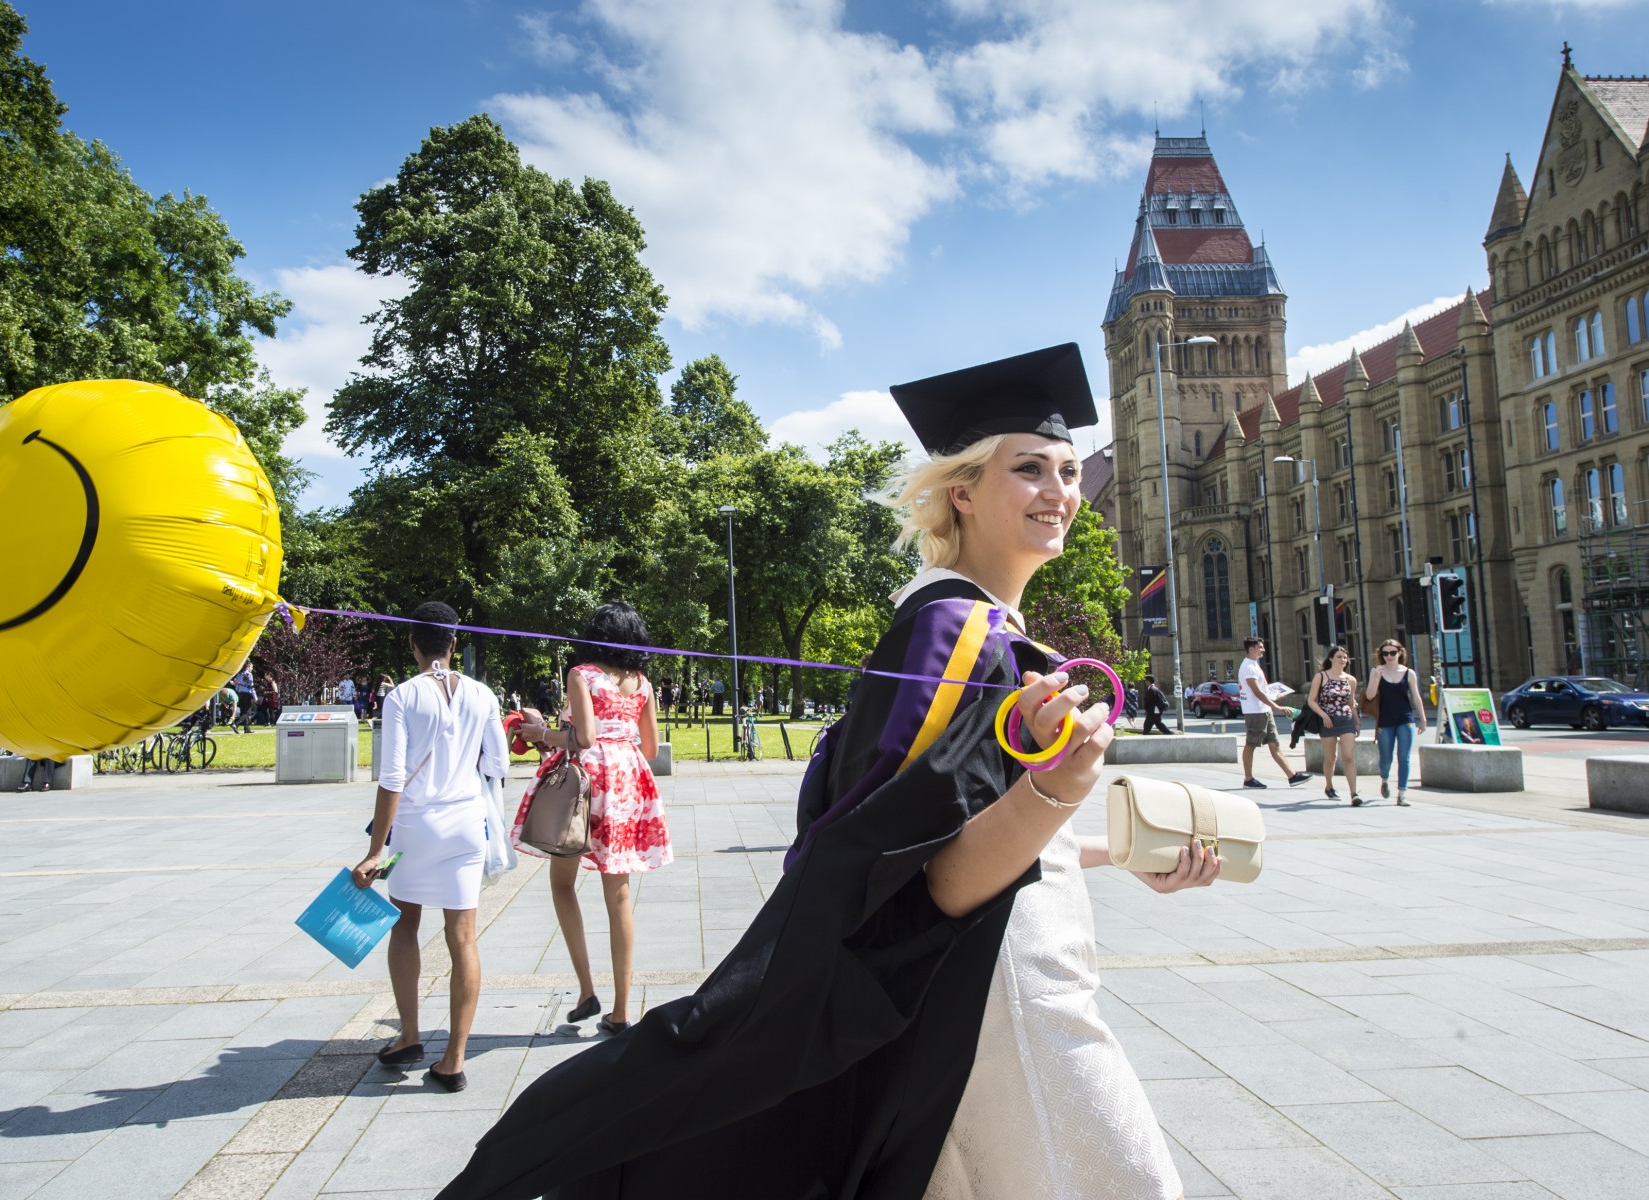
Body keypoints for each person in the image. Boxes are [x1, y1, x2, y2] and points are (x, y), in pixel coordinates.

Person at [443, 343, 1217, 1200]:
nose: (1061, 492)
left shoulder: (983, 629)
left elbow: (979, 840)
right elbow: (920, 876)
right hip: (1003, 986)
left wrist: (1120, 849)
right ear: (962, 490)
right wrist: (1059, 785)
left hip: (1006, 970)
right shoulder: (954, 637)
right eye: (1030, 468)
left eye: (1068, 471)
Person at [351, 601, 507, 1092]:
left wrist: (376, 850)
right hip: (466, 823)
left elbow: (392, 777)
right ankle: (454, 1059)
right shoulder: (483, 693)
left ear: (414, 644)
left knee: (406, 926)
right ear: (454, 643)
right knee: (462, 938)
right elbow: (497, 765)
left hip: (416, 827)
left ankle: (411, 1035)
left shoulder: (401, 696)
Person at [510, 601, 671, 1034]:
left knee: (563, 884)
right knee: (618, 895)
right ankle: (620, 1011)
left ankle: (586, 989)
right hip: (629, 781)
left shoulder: (582, 674)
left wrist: (540, 732)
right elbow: (652, 749)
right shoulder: (642, 683)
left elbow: (584, 738)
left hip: (586, 784)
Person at [1239, 636, 1311, 790]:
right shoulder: (1248, 667)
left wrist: (1274, 696)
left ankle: (1292, 776)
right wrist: (1277, 707)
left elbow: (1262, 690)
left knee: (1275, 744)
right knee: (1251, 744)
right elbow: (1257, 692)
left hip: (1263, 710)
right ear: (1251, 649)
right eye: (1260, 647)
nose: (1263, 649)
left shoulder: (1254, 665)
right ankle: (1248, 779)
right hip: (1255, 712)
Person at [1365, 638, 1426, 806]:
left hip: (1405, 719)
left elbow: (1416, 697)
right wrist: (1376, 678)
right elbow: (1370, 696)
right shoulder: (1376, 671)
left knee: (1404, 757)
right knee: (1386, 758)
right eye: (1385, 653)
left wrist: (1423, 718)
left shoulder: (1409, 673)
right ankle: (1384, 780)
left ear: (1400, 653)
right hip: (1385, 720)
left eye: (1392, 653)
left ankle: (1402, 793)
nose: (1389, 656)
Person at [1306, 645, 1362, 803]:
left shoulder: (1351, 680)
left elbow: (1351, 703)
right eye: (1339, 657)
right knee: (1331, 757)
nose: (1343, 660)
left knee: (1348, 756)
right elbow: (1311, 700)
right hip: (1328, 720)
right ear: (1330, 658)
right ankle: (1329, 786)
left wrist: (1357, 722)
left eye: (1345, 657)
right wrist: (1323, 715)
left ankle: (1353, 794)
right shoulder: (1321, 677)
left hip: (1346, 719)